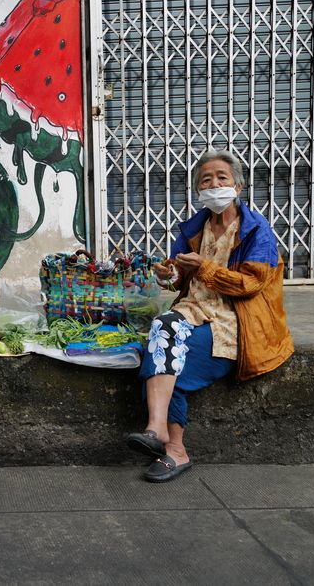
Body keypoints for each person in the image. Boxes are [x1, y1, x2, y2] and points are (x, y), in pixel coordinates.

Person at [124, 150, 293, 482]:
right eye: (206, 179)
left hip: (235, 322)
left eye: (222, 177)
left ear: (238, 186)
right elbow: (179, 278)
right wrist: (168, 275)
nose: (214, 183)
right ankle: (161, 435)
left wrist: (205, 267)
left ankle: (172, 447)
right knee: (163, 325)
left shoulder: (257, 230)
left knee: (161, 364)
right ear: (198, 190)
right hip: (193, 312)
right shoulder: (194, 229)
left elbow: (252, 284)